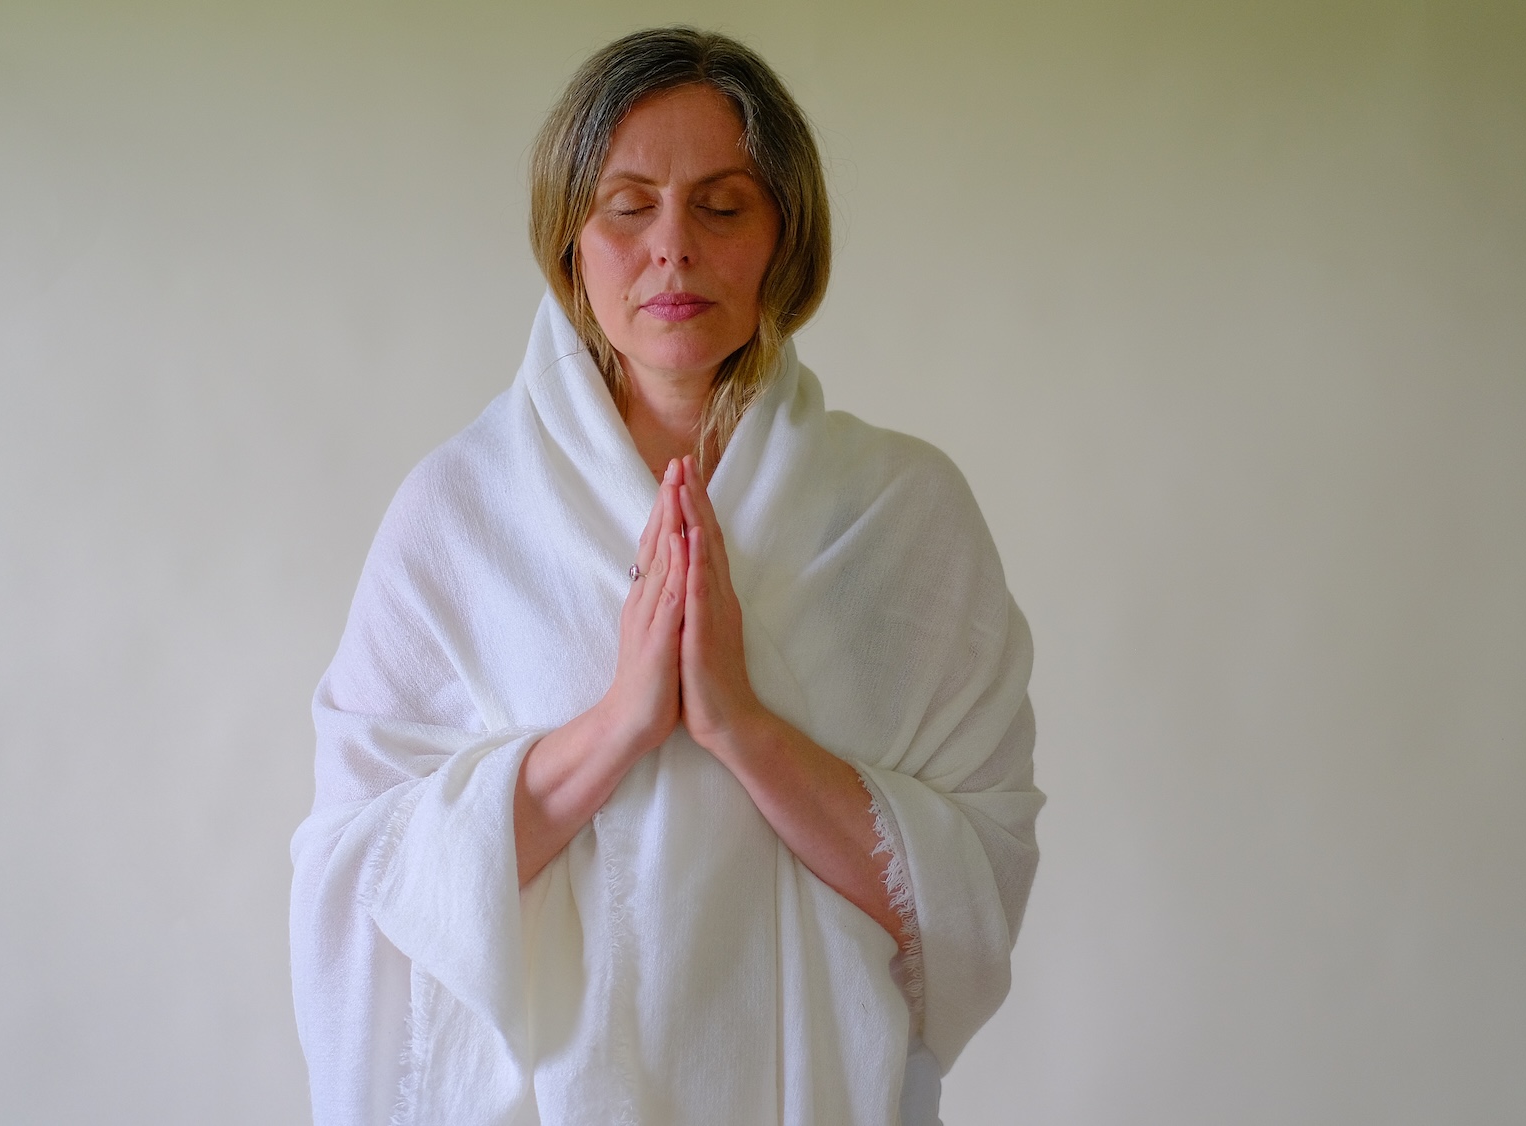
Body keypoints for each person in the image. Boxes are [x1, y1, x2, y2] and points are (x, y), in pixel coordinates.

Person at [289, 26, 1043, 1126]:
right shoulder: (458, 512)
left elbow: (971, 889)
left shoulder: (901, 512)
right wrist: (618, 726)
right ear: (568, 244)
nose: (673, 249)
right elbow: (359, 876)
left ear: (784, 235)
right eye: (628, 205)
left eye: (722, 204)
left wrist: (739, 723)